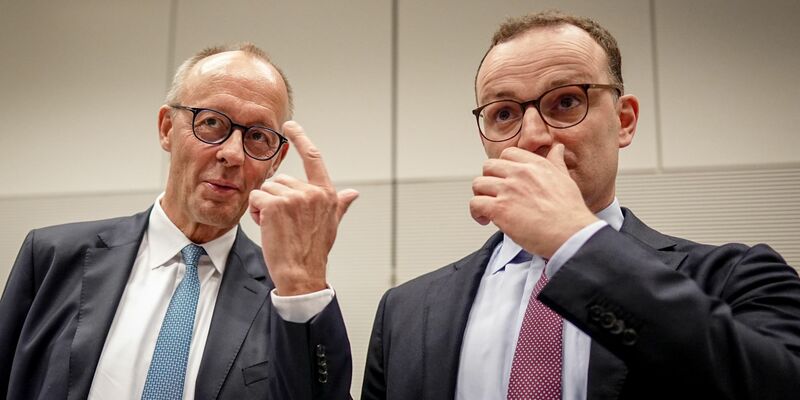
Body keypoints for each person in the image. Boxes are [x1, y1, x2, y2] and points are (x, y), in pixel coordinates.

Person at [361, 10, 800, 400]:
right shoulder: (406, 310)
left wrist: (574, 241)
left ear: (624, 121)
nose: (532, 136)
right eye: (504, 113)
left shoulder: (737, 276)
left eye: (566, 101)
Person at [0, 43, 358, 399]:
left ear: (276, 160)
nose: (232, 154)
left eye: (258, 137)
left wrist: (304, 286)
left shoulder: (285, 298)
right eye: (212, 122)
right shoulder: (53, 257)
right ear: (167, 128)